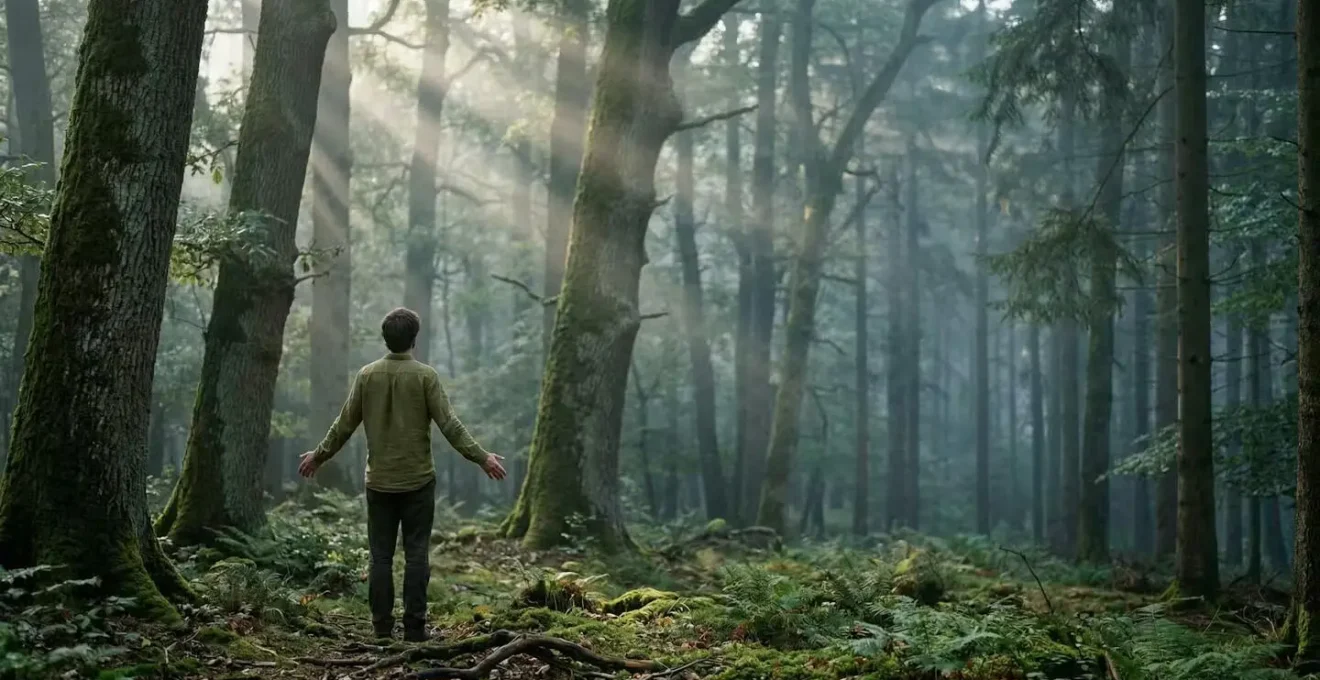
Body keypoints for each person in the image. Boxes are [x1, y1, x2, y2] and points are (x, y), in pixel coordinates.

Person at [298, 307, 506, 642]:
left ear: (386, 338)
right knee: (416, 554)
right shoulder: (425, 376)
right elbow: (450, 425)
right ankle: (414, 630)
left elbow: (344, 425)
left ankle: (381, 629)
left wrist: (318, 455)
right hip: (418, 482)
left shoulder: (367, 375)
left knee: (379, 557)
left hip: (378, 482)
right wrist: (482, 458)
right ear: (414, 339)